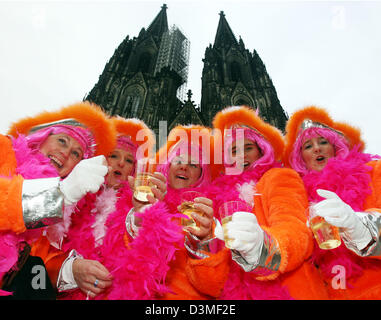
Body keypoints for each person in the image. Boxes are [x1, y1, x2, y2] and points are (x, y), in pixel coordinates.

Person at [210, 105, 328, 300]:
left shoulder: (280, 177)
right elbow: (214, 281)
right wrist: (202, 246)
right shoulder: (222, 199)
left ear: (261, 150)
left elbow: (295, 228)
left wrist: (263, 248)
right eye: (234, 151)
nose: (241, 156)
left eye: (248, 148)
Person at [53, 116, 178, 300]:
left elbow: (147, 262)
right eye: (114, 155)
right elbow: (43, 253)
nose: (120, 163)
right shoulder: (75, 197)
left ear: (133, 171)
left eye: (129, 160)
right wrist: (70, 269)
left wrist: (143, 216)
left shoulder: (133, 209)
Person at [0, 101, 114, 298]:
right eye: (62, 141)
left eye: (76, 154)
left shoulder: (55, 216)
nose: (66, 153)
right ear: (42, 137)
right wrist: (59, 196)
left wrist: (72, 270)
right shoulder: (3, 149)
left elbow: (40, 261)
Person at [283, 105, 381, 300]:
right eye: (308, 146)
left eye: (323, 142)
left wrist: (360, 227)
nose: (317, 148)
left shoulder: (373, 171)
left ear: (336, 146)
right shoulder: (298, 195)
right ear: (300, 157)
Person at [153, 124, 231, 300]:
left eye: (193, 164)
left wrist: (205, 241)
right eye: (178, 161)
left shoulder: (210, 213)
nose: (183, 167)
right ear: (168, 166)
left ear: (201, 175)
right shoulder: (148, 199)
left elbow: (215, 286)